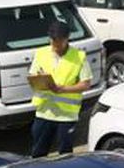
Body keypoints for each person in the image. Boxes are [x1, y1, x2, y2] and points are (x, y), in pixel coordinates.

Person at [27, 20, 92, 157]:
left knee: (65, 155)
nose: (55, 45)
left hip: (66, 116)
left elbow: (86, 84)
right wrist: (39, 79)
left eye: (59, 42)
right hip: (44, 112)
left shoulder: (79, 56)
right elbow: (32, 77)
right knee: (38, 154)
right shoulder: (41, 53)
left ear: (67, 38)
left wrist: (63, 89)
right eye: (53, 41)